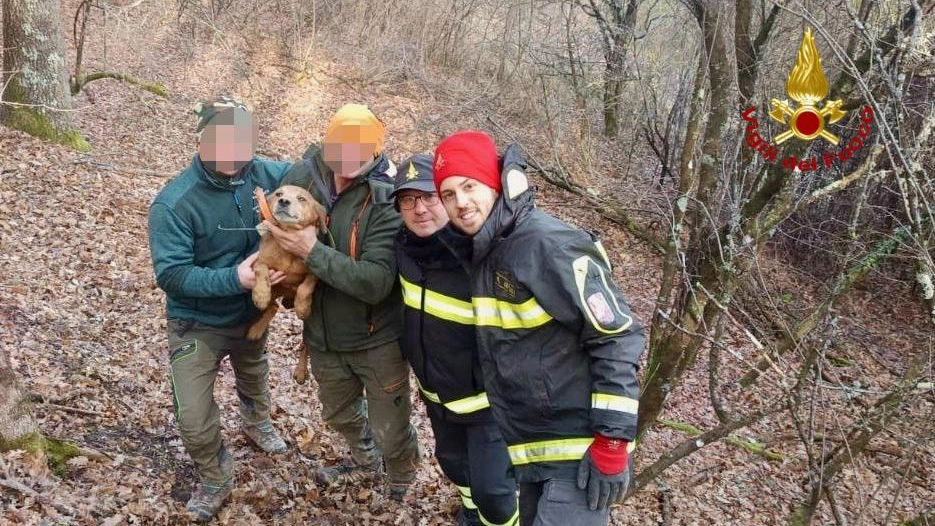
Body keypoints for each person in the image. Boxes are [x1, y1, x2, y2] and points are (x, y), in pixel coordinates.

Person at [432, 131, 645, 526]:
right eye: (448, 194)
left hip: (579, 451)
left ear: (494, 183)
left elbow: (618, 336)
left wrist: (613, 441)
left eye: (468, 186)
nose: (460, 203)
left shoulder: (549, 245)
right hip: (533, 451)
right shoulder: (486, 252)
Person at [262, 104, 420, 501]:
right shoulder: (305, 175)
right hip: (321, 332)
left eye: (360, 146)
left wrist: (311, 251)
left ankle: (400, 476)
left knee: (391, 423)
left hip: (375, 336)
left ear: (375, 150)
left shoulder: (385, 199)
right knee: (337, 412)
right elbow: (270, 207)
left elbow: (376, 282)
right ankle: (364, 458)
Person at [147, 96, 292, 523]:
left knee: (254, 371)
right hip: (197, 323)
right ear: (200, 139)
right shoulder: (174, 202)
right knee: (192, 416)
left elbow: (317, 170)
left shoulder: (266, 175)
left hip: (251, 313)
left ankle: (257, 421)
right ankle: (215, 476)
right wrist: (235, 279)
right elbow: (171, 274)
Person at [393, 154, 519, 526]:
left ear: (447, 201)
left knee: (494, 493)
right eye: (408, 200)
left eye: (429, 197)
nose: (419, 209)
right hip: (438, 400)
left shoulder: (482, 256)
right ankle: (470, 514)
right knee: (455, 469)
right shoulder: (402, 250)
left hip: (488, 408)